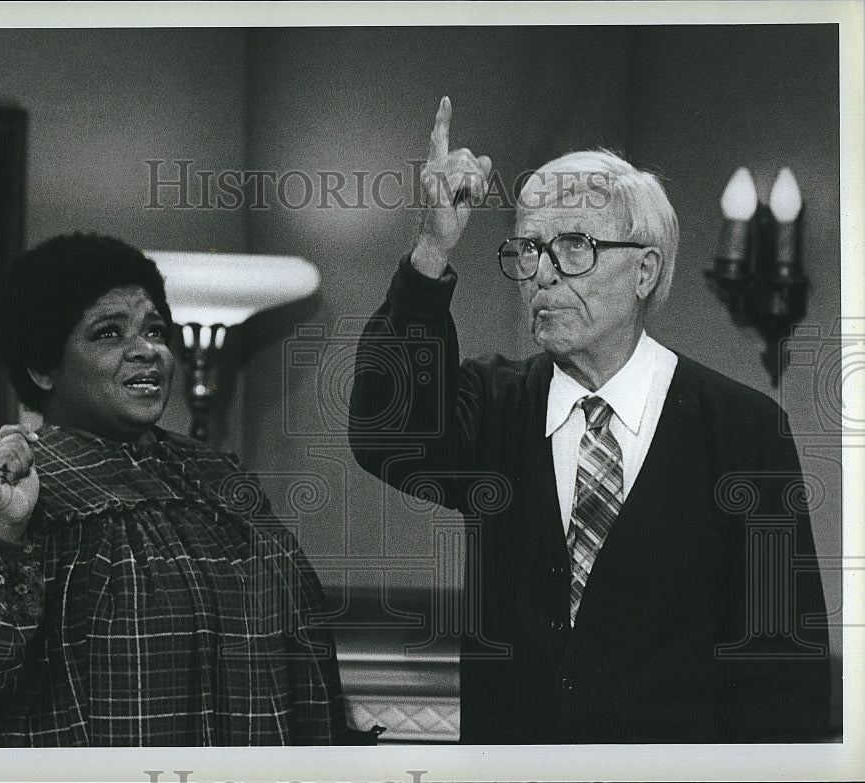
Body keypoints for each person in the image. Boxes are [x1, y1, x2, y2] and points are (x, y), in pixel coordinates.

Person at [348, 97, 832, 743]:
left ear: (645, 269)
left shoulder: (741, 429)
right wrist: (433, 248)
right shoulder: (495, 403)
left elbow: (782, 663)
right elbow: (388, 434)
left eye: (574, 245)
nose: (542, 274)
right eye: (528, 249)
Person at [0, 233, 351, 747]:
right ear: (43, 367)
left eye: (155, 330)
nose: (147, 351)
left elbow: (308, 674)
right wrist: (3, 532)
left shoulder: (223, 485)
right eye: (109, 333)